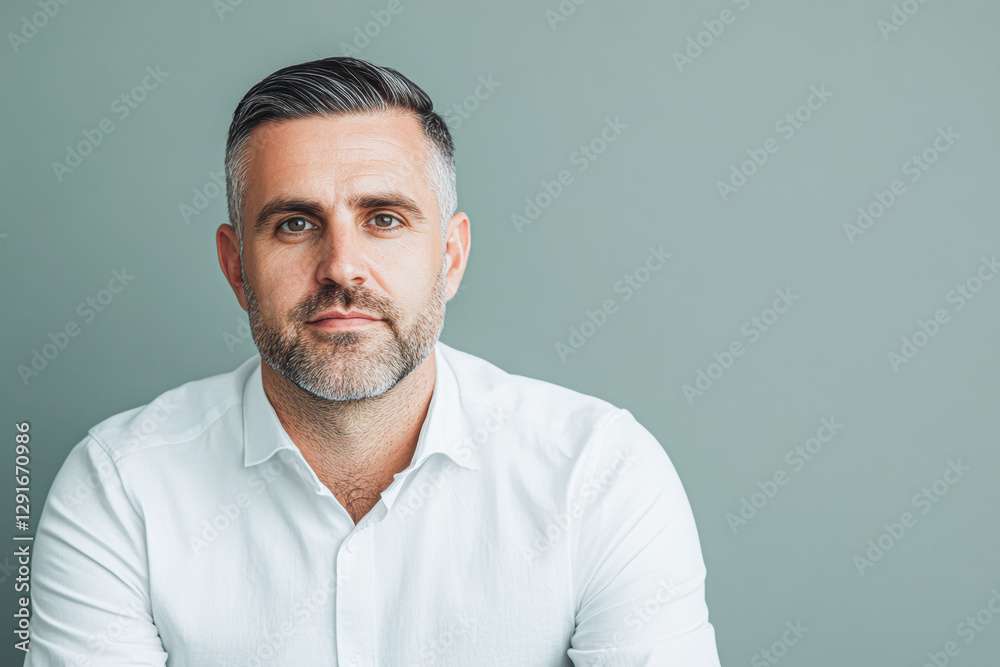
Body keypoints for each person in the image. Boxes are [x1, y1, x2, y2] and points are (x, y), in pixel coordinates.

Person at [25, 56, 721, 666]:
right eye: (295, 223)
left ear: (450, 257)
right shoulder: (121, 487)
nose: (342, 267)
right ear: (237, 267)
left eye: (384, 218)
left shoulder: (599, 475)